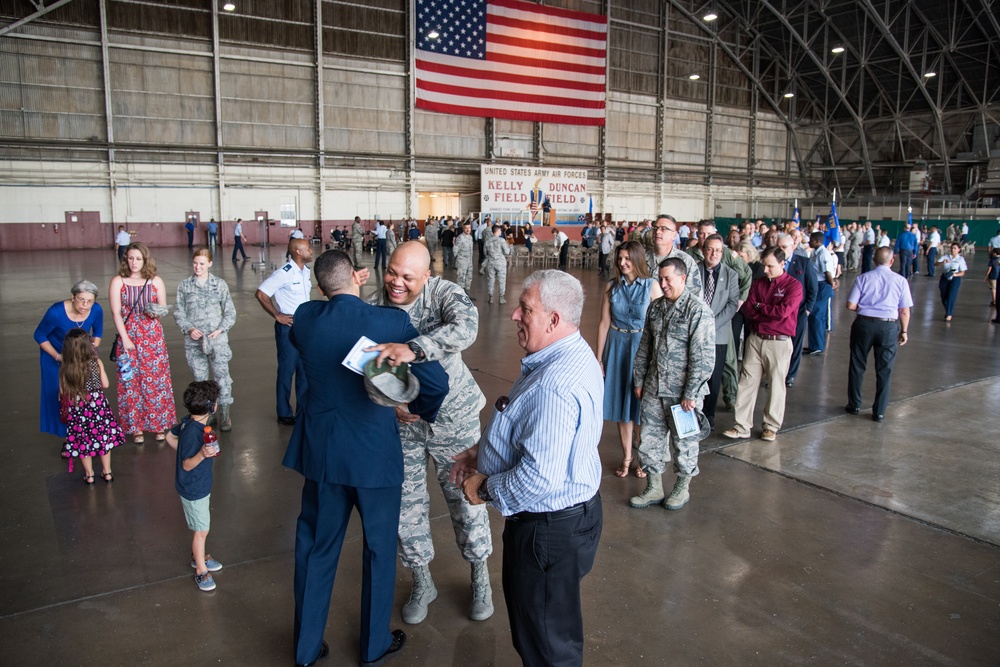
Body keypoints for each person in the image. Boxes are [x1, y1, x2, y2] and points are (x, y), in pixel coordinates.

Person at [282, 249, 448, 667]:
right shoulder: (390, 322)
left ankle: (305, 649)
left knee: (316, 550)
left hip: (322, 456)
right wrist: (417, 407)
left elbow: (307, 331)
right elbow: (436, 384)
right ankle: (372, 645)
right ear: (359, 276)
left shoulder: (304, 319)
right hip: (375, 459)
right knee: (378, 551)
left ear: (321, 287)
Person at [450, 270, 603, 667]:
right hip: (574, 516)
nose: (515, 315)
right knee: (550, 627)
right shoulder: (571, 351)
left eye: (526, 309)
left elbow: (538, 478)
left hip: (546, 531)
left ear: (553, 319)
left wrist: (482, 487)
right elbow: (536, 435)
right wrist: (483, 453)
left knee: (546, 645)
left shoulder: (553, 385)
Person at [365, 242, 494, 625]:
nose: (396, 283)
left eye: (407, 277)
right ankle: (423, 580)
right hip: (402, 426)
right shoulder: (374, 306)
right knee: (406, 507)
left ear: (426, 275)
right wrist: (392, 402)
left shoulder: (444, 295)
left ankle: (479, 577)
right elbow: (364, 362)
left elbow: (466, 328)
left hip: (453, 419)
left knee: (467, 499)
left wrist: (414, 349)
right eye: (392, 272)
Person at [629, 257, 714, 511]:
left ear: (683, 278)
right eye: (661, 279)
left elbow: (703, 357)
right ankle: (654, 487)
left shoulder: (697, 310)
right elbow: (645, 346)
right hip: (654, 387)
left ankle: (682, 487)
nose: (663, 284)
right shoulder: (656, 307)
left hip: (683, 393)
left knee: (685, 442)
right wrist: (639, 379)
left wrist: (692, 393)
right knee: (649, 440)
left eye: (668, 279)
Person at [723, 247, 804, 442]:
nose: (765, 270)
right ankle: (741, 426)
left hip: (779, 342)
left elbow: (782, 313)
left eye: (770, 266)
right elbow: (748, 310)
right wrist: (764, 310)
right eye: (764, 265)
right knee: (746, 383)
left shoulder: (794, 286)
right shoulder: (758, 284)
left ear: (783, 264)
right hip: (756, 339)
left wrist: (761, 307)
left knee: (776, 385)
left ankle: (771, 426)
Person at [596, 241, 662, 479]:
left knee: (642, 405)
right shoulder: (611, 286)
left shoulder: (652, 286)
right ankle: (627, 456)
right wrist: (599, 358)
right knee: (622, 405)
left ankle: (643, 455)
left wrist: (657, 358)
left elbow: (660, 326)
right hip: (616, 345)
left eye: (627, 258)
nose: (622, 263)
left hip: (642, 346)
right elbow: (604, 323)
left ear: (637, 259)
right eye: (620, 258)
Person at [109, 242, 176, 443]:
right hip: (128, 336)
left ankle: (158, 425)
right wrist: (126, 338)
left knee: (156, 381)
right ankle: (135, 426)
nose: (134, 262)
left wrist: (155, 311)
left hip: (153, 337)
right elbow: (116, 313)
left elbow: (163, 309)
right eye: (130, 258)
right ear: (125, 259)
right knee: (130, 382)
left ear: (145, 260)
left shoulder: (155, 281)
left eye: (138, 258)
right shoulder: (118, 281)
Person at [165, 380, 224, 592]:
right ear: (213, 407)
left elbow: (169, 436)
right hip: (193, 488)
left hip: (197, 485)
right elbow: (187, 465)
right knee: (201, 530)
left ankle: (198, 556)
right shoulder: (194, 433)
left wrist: (182, 449)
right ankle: (200, 569)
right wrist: (200, 454)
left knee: (201, 527)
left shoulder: (188, 423)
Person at [845, 247, 913, 422]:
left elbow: (851, 305)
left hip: (863, 324)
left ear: (874, 260)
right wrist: (904, 331)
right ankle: (879, 411)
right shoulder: (901, 281)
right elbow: (904, 311)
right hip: (888, 327)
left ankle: (854, 405)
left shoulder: (863, 278)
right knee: (884, 370)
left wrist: (866, 308)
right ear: (892, 261)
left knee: (857, 365)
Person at [174, 248, 238, 432]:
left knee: (222, 377)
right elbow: (179, 311)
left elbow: (230, 312)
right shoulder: (184, 286)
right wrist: (190, 328)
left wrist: (220, 329)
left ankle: (224, 412)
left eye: (202, 263)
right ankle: (206, 413)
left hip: (217, 339)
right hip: (194, 340)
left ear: (210, 263)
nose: (198, 267)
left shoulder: (219, 284)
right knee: (200, 379)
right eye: (195, 263)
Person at [35, 280, 104, 441]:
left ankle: (82, 433)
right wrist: (58, 356)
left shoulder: (96, 310)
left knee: (82, 396)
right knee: (61, 396)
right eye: (81, 300)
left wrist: (90, 354)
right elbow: (39, 335)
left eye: (89, 301)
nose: (85, 305)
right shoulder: (56, 311)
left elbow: (98, 332)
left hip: (79, 357)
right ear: (72, 297)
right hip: (55, 355)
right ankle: (68, 439)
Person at [255, 238, 314, 425]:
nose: (311, 251)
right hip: (287, 327)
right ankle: (284, 413)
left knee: (304, 370)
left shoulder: (306, 272)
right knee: (287, 370)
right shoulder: (284, 273)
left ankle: (302, 410)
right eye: (308, 248)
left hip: (304, 326)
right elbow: (261, 293)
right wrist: (276, 315)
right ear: (298, 252)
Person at [59, 329, 124, 484]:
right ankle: (107, 472)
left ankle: (89, 475)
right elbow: (106, 384)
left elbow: (63, 391)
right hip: (98, 407)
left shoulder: (65, 368)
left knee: (83, 443)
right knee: (103, 440)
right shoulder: (96, 363)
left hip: (78, 408)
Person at [698, 235, 740, 428]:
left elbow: (732, 305)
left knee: (714, 377)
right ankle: (694, 412)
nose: (714, 254)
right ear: (703, 250)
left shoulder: (731, 274)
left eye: (718, 250)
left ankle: (709, 415)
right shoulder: (694, 271)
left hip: (718, 334)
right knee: (696, 374)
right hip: (695, 331)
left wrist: (710, 326)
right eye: (710, 249)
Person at [775, 233, 817, 387]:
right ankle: (777, 374)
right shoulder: (773, 264)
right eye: (778, 246)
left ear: (793, 247)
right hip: (778, 312)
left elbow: (812, 288)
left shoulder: (803, 263)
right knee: (778, 345)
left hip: (798, 312)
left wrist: (807, 310)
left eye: (784, 247)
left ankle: (790, 375)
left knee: (795, 344)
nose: (781, 250)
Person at [644, 214, 703, 297]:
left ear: (674, 235)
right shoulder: (641, 259)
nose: (657, 232)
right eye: (655, 228)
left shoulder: (686, 261)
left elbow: (695, 296)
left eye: (664, 229)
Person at [804, 231, 838, 356]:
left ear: (818, 241)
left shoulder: (823, 254)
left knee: (817, 315)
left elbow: (827, 272)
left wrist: (832, 283)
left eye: (811, 240)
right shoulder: (815, 252)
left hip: (823, 285)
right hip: (816, 284)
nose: (809, 242)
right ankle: (814, 344)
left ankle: (817, 345)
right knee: (814, 315)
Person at [936, 242, 967, 321]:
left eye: (955, 248)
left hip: (954, 279)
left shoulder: (960, 259)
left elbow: (962, 272)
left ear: (959, 250)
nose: (953, 250)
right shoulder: (946, 256)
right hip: (945, 277)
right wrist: (942, 262)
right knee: (943, 295)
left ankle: (949, 313)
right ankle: (948, 309)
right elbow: (936, 264)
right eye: (952, 248)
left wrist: (955, 275)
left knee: (951, 295)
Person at [483, 224, 510, 305]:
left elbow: (485, 253)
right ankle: (501, 298)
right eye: (500, 231)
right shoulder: (501, 240)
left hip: (491, 263)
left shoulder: (487, 241)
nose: (501, 232)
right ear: (497, 231)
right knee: (501, 280)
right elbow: (507, 252)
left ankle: (491, 298)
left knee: (491, 280)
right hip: (500, 263)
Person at [454, 221, 475, 294]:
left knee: (469, 278)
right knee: (461, 279)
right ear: (463, 229)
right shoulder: (460, 238)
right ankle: (460, 296)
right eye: (466, 228)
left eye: (469, 228)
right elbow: (455, 250)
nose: (467, 229)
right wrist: (457, 260)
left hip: (469, 262)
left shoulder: (470, 237)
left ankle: (467, 294)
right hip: (462, 262)